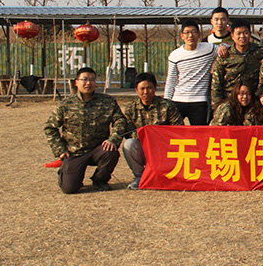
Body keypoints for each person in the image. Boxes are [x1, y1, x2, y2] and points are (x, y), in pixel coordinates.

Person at [44, 66, 132, 194]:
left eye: (92, 80)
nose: (88, 83)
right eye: (84, 79)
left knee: (111, 152)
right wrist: (60, 150)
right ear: (76, 82)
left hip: (98, 149)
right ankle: (67, 171)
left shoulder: (107, 102)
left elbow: (120, 121)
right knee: (69, 188)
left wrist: (113, 139)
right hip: (74, 152)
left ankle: (100, 180)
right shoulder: (66, 104)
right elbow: (50, 127)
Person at [121, 72, 184, 189]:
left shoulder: (166, 106)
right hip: (143, 147)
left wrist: (160, 138)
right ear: (136, 90)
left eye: (149, 88)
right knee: (128, 144)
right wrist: (146, 136)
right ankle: (139, 176)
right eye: (142, 88)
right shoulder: (131, 108)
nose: (146, 92)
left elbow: (179, 129)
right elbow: (129, 132)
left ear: (155, 89)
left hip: (164, 148)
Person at [164, 19, 216, 125]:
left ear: (199, 34)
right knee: (173, 131)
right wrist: (166, 102)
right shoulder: (175, 55)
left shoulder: (209, 49)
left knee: (199, 132)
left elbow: (229, 48)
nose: (190, 36)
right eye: (187, 33)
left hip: (200, 101)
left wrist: (223, 47)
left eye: (194, 32)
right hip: (178, 99)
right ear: (182, 36)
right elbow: (171, 80)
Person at [210, 18, 263, 109]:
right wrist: (217, 107)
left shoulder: (260, 52)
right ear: (232, 36)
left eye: (245, 33)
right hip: (230, 102)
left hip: (253, 102)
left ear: (250, 34)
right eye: (238, 33)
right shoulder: (225, 55)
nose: (242, 36)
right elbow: (216, 84)